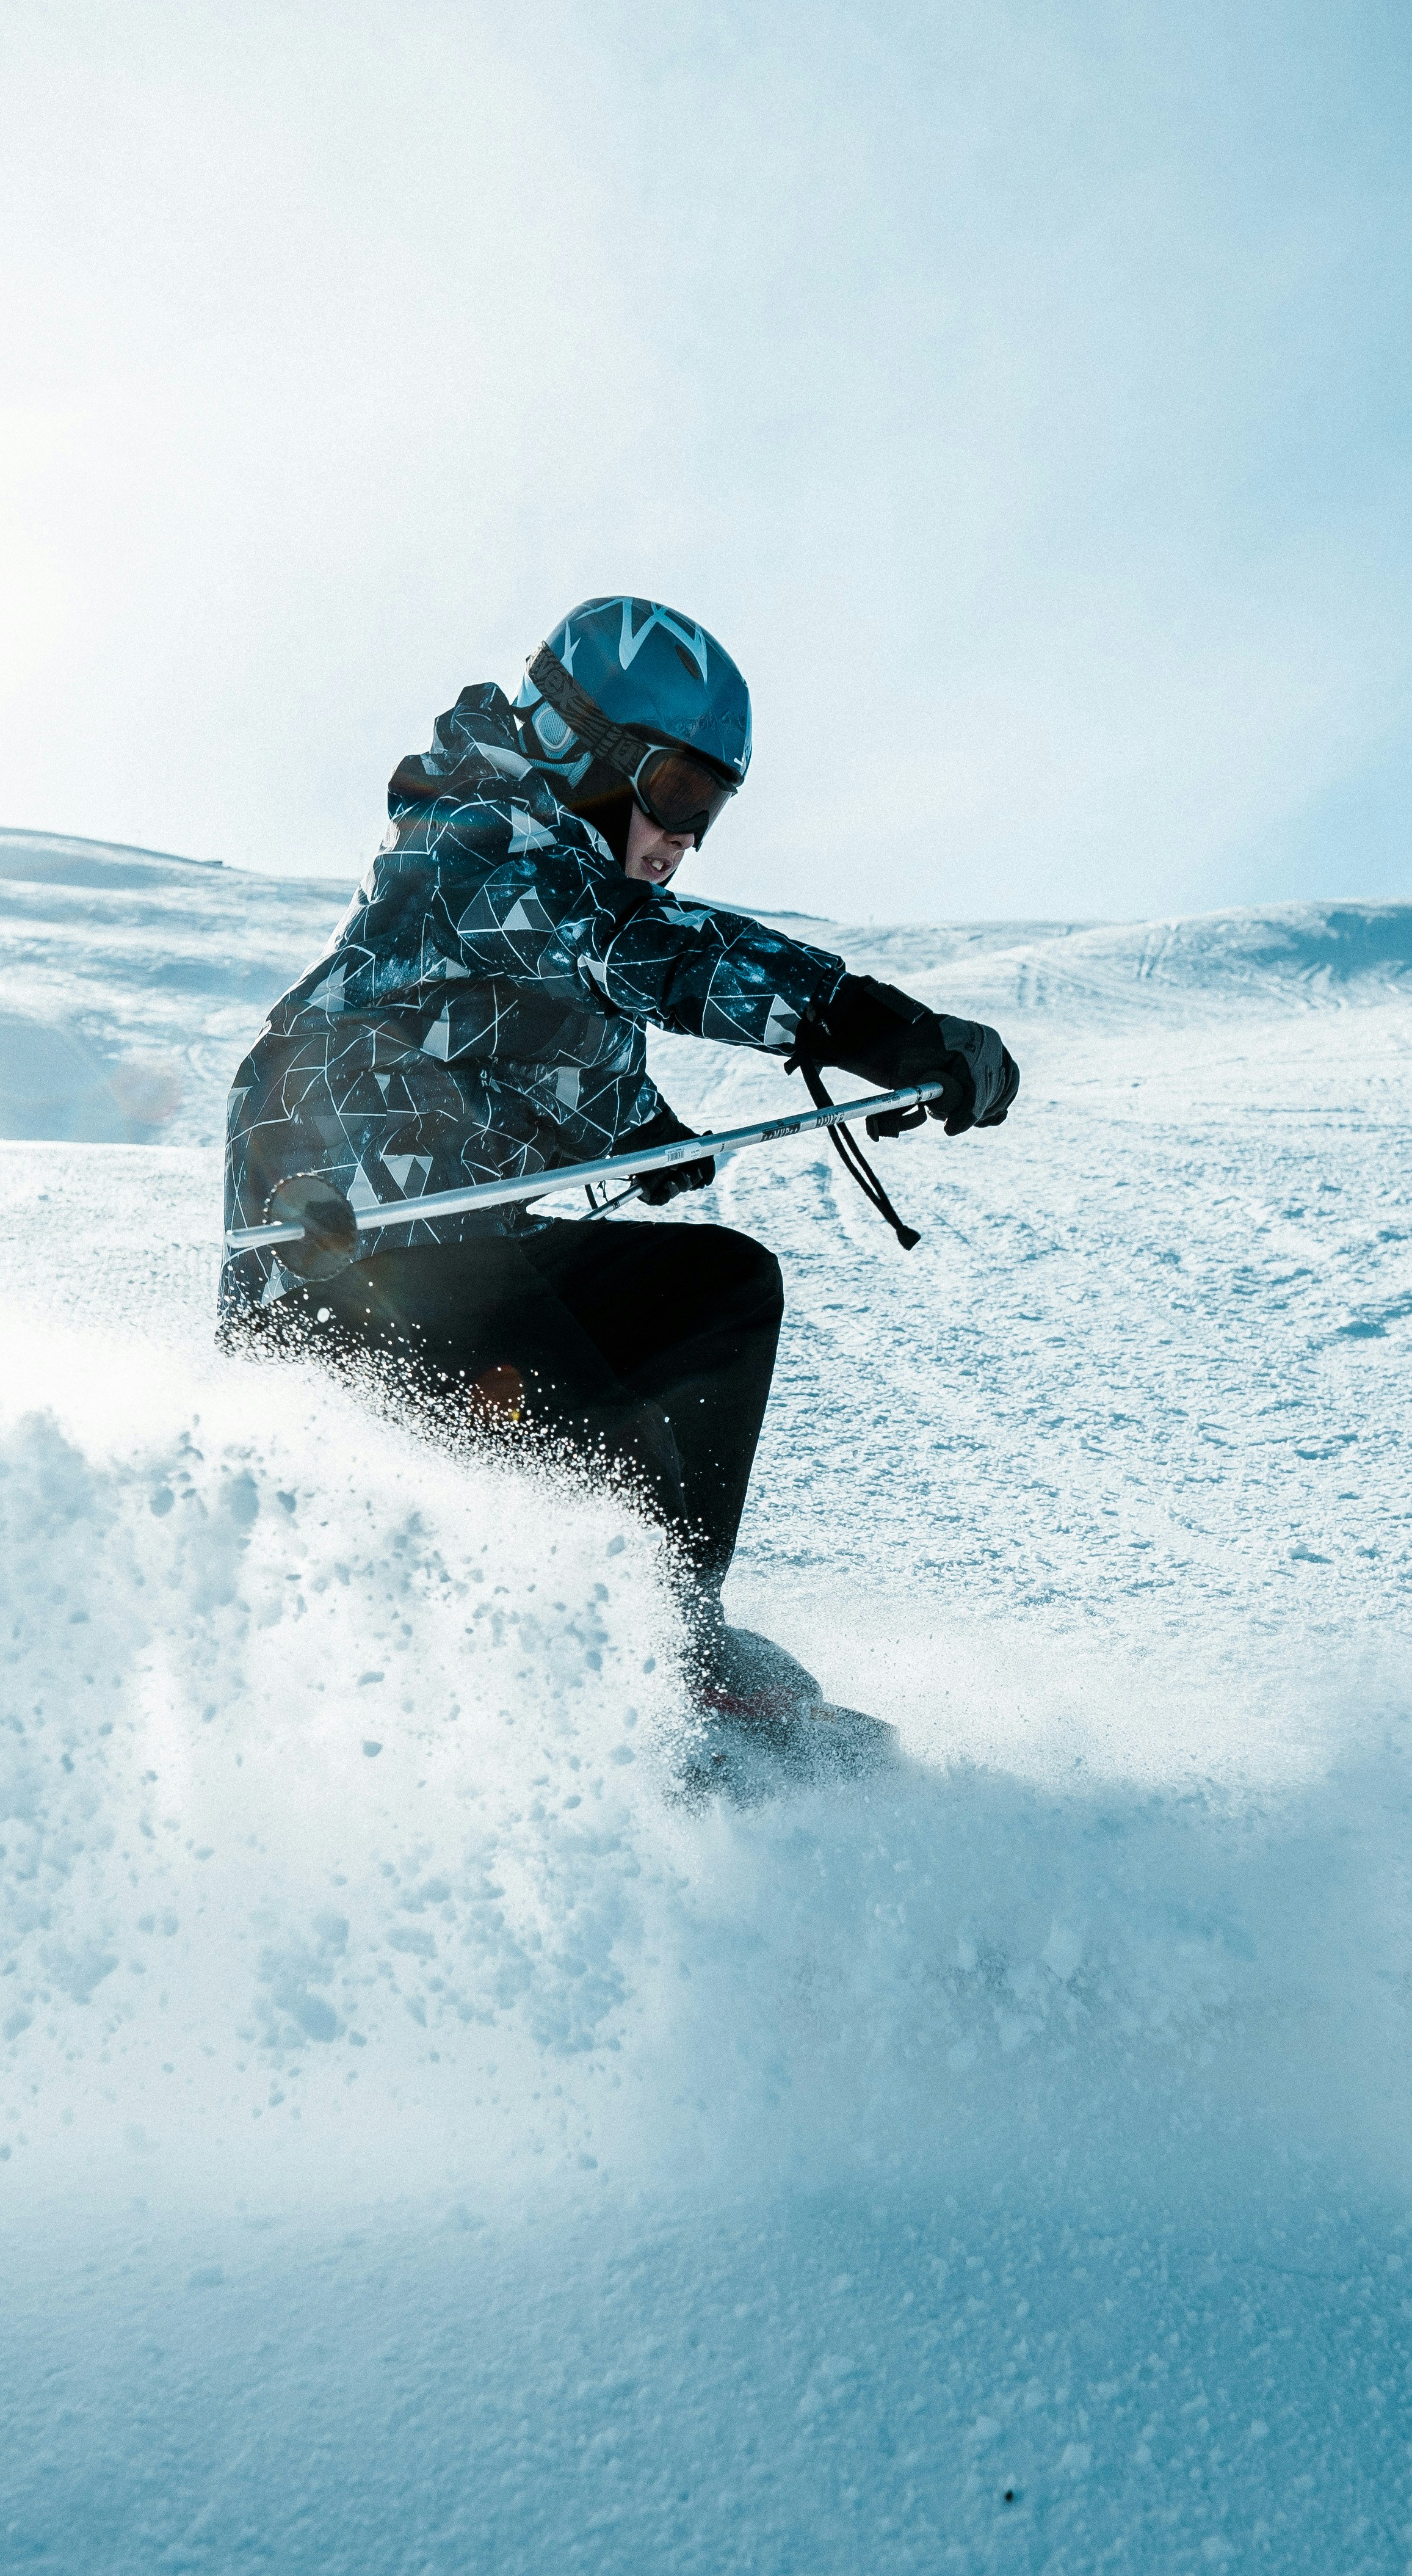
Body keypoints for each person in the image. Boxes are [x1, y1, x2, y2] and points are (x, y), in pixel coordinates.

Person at [221, 595, 1018, 1741]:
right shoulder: (467, 847)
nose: (684, 838)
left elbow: (565, 1052)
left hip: (449, 1264)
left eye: (709, 811)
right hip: (341, 1288)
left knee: (718, 1290)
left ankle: (670, 1633)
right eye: (677, 792)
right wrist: (863, 1023)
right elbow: (632, 948)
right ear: (580, 749)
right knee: (612, 1450)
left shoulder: (553, 898)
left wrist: (647, 1137)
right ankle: (639, 1689)